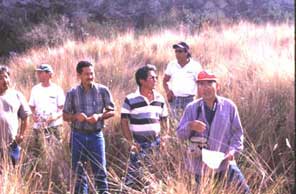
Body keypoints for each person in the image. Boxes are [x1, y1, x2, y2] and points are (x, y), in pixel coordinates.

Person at [176, 70, 250, 193]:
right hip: (198, 167)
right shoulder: (192, 108)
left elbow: (237, 134)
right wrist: (190, 125)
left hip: (224, 164)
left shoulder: (229, 106)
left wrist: (232, 151)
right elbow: (180, 134)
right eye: (201, 84)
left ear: (217, 86)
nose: (205, 88)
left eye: (209, 84)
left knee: (244, 191)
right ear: (198, 88)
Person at [63, 61, 115, 194]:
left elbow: (112, 111)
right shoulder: (72, 93)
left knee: (100, 171)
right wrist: (75, 116)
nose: (90, 76)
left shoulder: (102, 90)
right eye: (86, 74)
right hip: (78, 136)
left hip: (96, 136)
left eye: (92, 73)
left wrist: (99, 116)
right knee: (79, 173)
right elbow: (65, 115)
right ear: (79, 75)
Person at [121, 64, 169, 190]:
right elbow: (124, 121)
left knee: (155, 176)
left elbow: (165, 119)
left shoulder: (160, 98)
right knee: (132, 176)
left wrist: (164, 139)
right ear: (142, 81)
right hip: (138, 145)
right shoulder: (130, 99)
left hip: (156, 144)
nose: (156, 80)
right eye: (152, 78)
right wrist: (130, 142)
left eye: (156, 78)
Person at [0, 65, 31, 167]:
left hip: (11, 145)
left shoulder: (16, 95)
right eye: (0, 78)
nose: (5, 80)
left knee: (12, 173)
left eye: (6, 77)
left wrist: (21, 134)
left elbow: (25, 116)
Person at [163, 41, 202, 121]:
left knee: (191, 123)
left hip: (190, 100)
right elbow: (165, 80)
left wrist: (199, 100)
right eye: (176, 51)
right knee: (175, 123)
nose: (177, 54)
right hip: (175, 99)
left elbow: (200, 83)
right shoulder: (172, 65)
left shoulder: (195, 66)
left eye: (180, 51)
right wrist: (168, 91)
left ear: (187, 52)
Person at [29, 64, 65, 145]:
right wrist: (33, 115)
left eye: (40, 72)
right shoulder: (35, 89)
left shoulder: (57, 89)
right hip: (39, 126)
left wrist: (54, 117)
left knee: (57, 151)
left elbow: (62, 109)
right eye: (37, 72)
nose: (38, 75)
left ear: (49, 74)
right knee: (38, 151)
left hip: (55, 126)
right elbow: (31, 106)